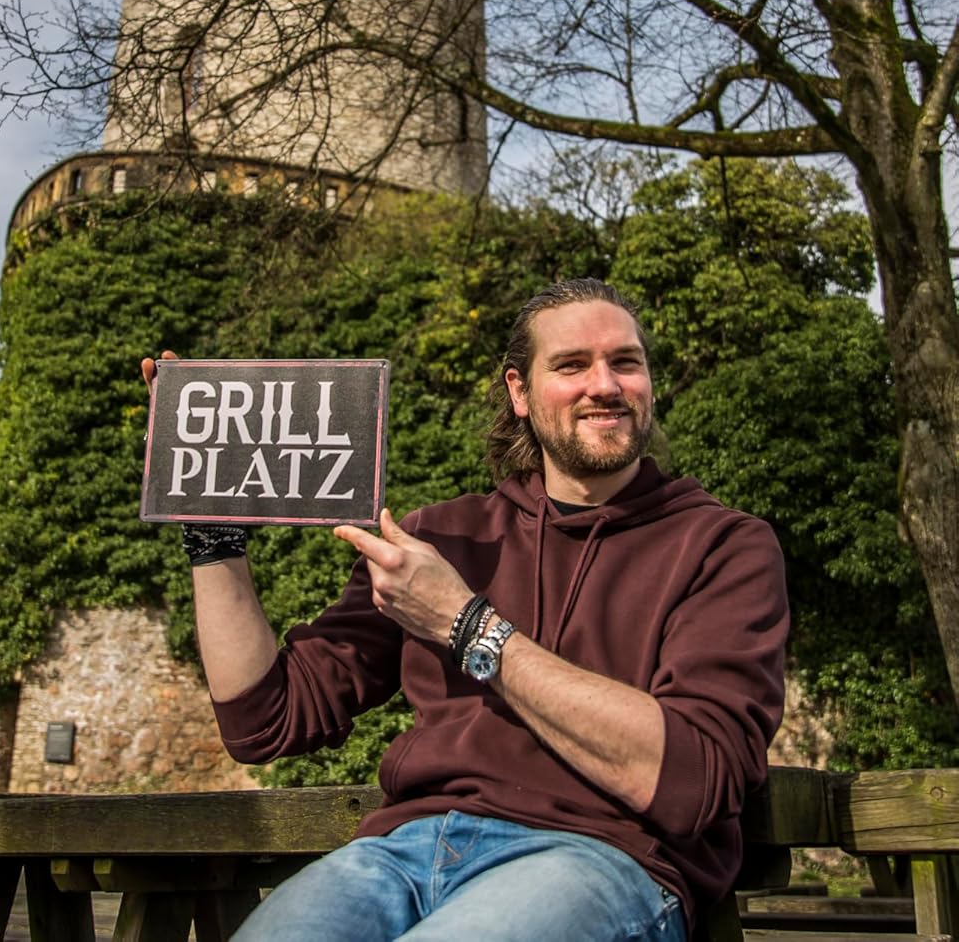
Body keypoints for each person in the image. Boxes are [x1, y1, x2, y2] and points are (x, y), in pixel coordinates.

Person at [141, 278, 788, 941]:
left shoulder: (722, 545)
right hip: (399, 854)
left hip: (601, 858)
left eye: (626, 361)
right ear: (520, 393)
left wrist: (465, 623)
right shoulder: (439, 539)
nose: (606, 385)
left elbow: (695, 776)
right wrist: (208, 524)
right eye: (571, 365)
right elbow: (265, 721)